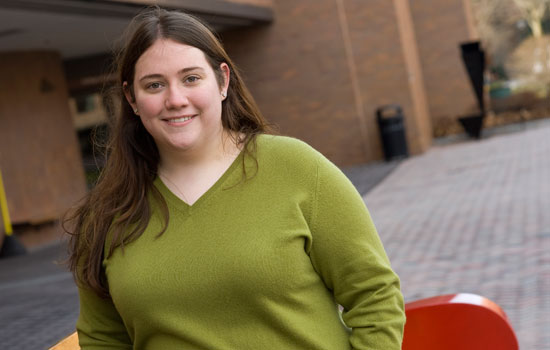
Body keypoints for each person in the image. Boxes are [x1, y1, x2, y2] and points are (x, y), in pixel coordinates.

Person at [65, 7, 405, 350]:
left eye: (191, 78)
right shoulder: (107, 213)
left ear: (223, 81)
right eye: (154, 85)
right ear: (132, 100)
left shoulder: (296, 168)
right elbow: (103, 339)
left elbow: (374, 295)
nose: (175, 99)